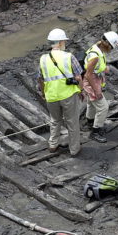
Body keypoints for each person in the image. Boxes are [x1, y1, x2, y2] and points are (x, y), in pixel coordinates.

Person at [37, 28, 83, 156]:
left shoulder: (43, 59)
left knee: (55, 120)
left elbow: (40, 79)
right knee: (72, 122)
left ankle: (53, 144)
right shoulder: (68, 56)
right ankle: (74, 149)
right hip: (68, 95)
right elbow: (79, 77)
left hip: (51, 95)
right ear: (61, 42)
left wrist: (43, 93)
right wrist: (81, 90)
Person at [83, 31, 118, 143]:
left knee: (91, 104)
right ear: (107, 43)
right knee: (103, 107)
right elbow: (88, 74)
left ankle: (90, 122)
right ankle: (95, 131)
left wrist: (104, 68)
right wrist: (96, 90)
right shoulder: (95, 56)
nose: (111, 50)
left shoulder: (97, 48)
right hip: (91, 82)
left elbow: (94, 68)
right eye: (112, 47)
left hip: (92, 80)